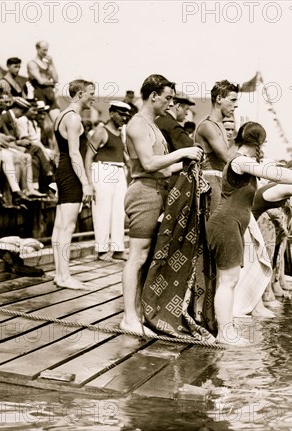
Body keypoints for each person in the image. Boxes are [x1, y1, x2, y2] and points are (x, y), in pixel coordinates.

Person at [206, 121, 292, 345]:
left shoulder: (241, 161)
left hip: (231, 223)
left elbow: (276, 174)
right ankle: (225, 332)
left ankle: (225, 329)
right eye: (261, 145)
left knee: (228, 280)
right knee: (228, 281)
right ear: (257, 144)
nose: (260, 151)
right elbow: (276, 174)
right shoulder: (240, 160)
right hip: (226, 223)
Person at [121, 74, 202, 337]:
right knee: (137, 257)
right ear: (153, 95)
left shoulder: (153, 126)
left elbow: (165, 169)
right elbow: (148, 164)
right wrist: (181, 153)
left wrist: (191, 162)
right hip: (143, 192)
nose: (170, 103)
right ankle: (128, 317)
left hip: (157, 190)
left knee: (146, 259)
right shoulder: (137, 125)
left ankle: (137, 314)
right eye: (167, 98)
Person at [51, 79, 96, 290]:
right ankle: (65, 276)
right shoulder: (74, 119)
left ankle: (60, 274)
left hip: (62, 170)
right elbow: (74, 153)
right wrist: (85, 184)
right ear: (79, 94)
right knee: (67, 227)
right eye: (90, 93)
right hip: (71, 172)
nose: (93, 98)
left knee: (59, 226)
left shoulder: (60, 115)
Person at [85, 101, 132, 261]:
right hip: (103, 170)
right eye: (120, 113)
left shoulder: (121, 133)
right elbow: (88, 157)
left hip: (119, 171)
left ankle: (118, 248)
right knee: (102, 211)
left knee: (119, 211)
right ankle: (101, 249)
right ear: (111, 113)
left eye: (126, 114)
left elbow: (125, 157)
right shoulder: (100, 131)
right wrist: (89, 183)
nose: (124, 117)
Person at [195, 80, 238, 214]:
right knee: (212, 230)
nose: (235, 105)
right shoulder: (208, 125)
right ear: (219, 98)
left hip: (219, 181)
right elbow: (227, 158)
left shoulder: (219, 125)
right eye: (232, 100)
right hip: (210, 182)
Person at [27, 41, 59, 114]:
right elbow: (41, 81)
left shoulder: (47, 64)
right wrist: (52, 83)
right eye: (44, 50)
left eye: (47, 50)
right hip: (39, 94)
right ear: (37, 49)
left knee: (58, 120)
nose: (45, 52)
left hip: (50, 94)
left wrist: (51, 63)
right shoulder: (32, 63)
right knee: (41, 119)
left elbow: (56, 79)